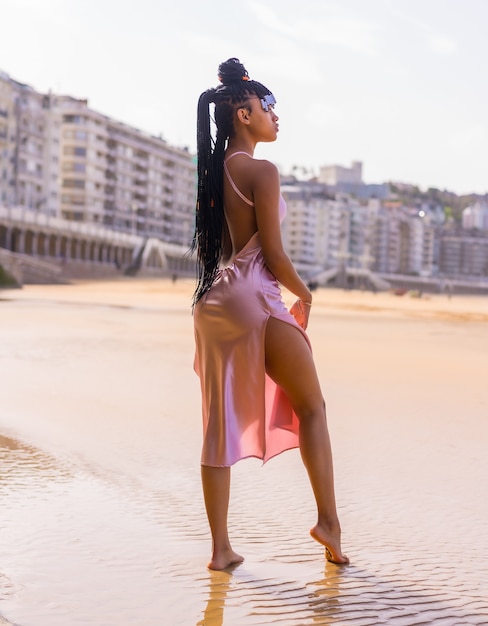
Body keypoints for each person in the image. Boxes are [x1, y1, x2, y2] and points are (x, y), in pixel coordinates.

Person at [192, 58, 349, 571]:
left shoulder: (216, 173)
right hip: (255, 293)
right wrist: (306, 294)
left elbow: (225, 248)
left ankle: (220, 550)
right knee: (312, 407)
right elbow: (275, 258)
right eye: (269, 106)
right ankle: (329, 522)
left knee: (216, 426)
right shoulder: (262, 171)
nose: (276, 116)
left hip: (216, 300)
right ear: (243, 113)